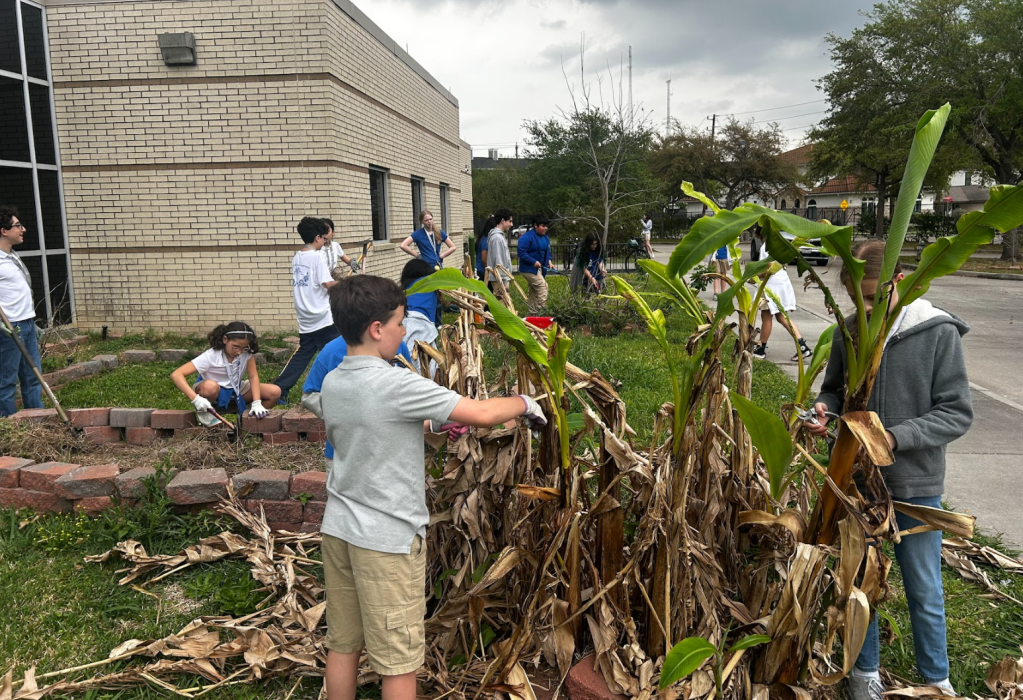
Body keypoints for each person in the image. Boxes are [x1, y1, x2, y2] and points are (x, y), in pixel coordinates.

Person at [301, 275, 546, 700]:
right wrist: (526, 402)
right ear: (377, 328)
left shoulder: (335, 382)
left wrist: (433, 422)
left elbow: (373, 423)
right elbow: (484, 413)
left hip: (339, 531)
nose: (403, 330)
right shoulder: (397, 383)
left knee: (343, 644)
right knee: (398, 662)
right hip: (387, 542)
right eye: (399, 322)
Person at [805, 241, 972, 700]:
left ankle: (936, 680)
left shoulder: (937, 333)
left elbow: (956, 412)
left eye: (878, 297)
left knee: (924, 590)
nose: (869, 309)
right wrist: (823, 409)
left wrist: (894, 437)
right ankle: (864, 676)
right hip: (858, 487)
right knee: (861, 586)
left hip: (915, 485)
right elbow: (835, 391)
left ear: (901, 282)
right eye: (860, 299)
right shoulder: (850, 332)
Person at [302, 334, 412, 471]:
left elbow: (410, 390)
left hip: (391, 452)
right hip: (343, 454)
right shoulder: (332, 350)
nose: (403, 330)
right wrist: (343, 414)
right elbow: (309, 394)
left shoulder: (398, 345)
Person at [273, 216, 340, 403]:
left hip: (305, 316)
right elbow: (327, 284)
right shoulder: (316, 257)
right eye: (324, 239)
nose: (325, 242)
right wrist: (349, 284)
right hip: (322, 316)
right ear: (318, 237)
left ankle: (280, 390)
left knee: (303, 354)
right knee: (341, 351)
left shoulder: (298, 257)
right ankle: (338, 388)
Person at [171, 321, 280, 426]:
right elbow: (176, 374)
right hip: (213, 390)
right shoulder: (211, 356)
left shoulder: (246, 353)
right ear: (225, 339)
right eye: (236, 347)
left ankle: (249, 423)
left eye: (244, 348)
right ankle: (206, 416)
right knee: (210, 387)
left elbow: (253, 377)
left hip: (236, 388)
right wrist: (195, 399)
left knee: (274, 392)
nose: (239, 352)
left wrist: (257, 402)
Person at [0, 207, 43, 417]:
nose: (23, 229)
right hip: (8, 329)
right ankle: (7, 427)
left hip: (26, 324)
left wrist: (31, 321)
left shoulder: (12, 256)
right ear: (3, 231)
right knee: (6, 381)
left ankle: (37, 424)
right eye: (18, 225)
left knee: (33, 377)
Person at [752, 228, 813, 361]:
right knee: (782, 317)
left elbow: (769, 269)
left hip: (771, 286)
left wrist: (754, 277)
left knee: (766, 318)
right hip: (782, 283)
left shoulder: (766, 247)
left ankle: (761, 349)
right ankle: (802, 346)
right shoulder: (779, 245)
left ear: (759, 234)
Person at [400, 258, 440, 370]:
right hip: (423, 324)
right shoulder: (431, 286)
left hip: (403, 323)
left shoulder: (404, 289)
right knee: (431, 362)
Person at [516, 215, 552, 313]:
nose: (545, 228)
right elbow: (522, 253)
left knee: (534, 291)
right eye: (543, 226)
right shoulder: (526, 238)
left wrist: (549, 261)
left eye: (546, 226)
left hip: (540, 268)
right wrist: (533, 261)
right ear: (535, 225)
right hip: (528, 268)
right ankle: (543, 311)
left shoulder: (545, 237)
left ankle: (532, 313)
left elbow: (548, 251)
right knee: (542, 287)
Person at [486, 209, 515, 292]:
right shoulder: (497, 238)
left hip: (501, 279)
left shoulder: (499, 236)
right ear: (502, 221)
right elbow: (499, 262)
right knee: (502, 304)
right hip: (500, 280)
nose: (511, 224)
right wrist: (504, 282)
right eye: (510, 221)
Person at [474, 215, 495, 281]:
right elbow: (484, 259)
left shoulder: (482, 238)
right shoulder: (486, 241)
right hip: (483, 272)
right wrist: (492, 272)